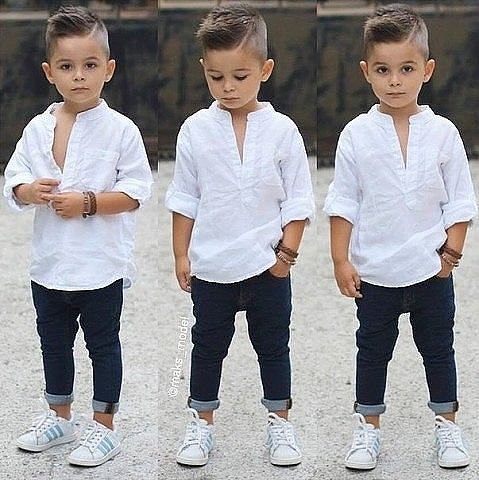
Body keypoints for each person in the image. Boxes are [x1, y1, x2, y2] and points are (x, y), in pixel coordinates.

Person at [324, 3, 477, 471]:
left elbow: (460, 201)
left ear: (426, 70)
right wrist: (341, 260)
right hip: (375, 273)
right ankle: (367, 430)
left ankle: (447, 427)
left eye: (406, 69)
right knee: (372, 352)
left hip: (431, 271)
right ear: (366, 72)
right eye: (383, 70)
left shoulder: (444, 133)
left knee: (439, 350)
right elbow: (343, 201)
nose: (395, 81)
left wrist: (450, 254)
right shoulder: (356, 134)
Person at [165, 3, 315, 467]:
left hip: (268, 267)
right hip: (212, 268)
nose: (228, 87)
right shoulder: (194, 130)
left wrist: (285, 258)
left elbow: (298, 201)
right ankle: (200, 424)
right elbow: (184, 197)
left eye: (240, 76)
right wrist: (181, 255)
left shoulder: (283, 131)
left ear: (265, 70)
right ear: (204, 71)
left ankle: (280, 423)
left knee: (273, 348)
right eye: (216, 77)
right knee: (207, 347)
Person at [3, 6, 153, 467]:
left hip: (100, 266)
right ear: (50, 72)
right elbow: (14, 178)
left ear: (109, 69)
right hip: (50, 265)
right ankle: (59, 416)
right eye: (67, 66)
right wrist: (29, 191)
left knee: (103, 345)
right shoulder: (37, 128)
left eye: (90, 65)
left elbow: (136, 191)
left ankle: (104, 427)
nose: (79, 76)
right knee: (53, 344)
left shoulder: (121, 129)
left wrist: (88, 202)